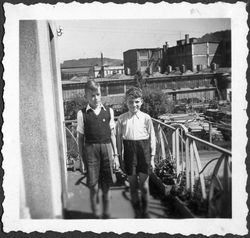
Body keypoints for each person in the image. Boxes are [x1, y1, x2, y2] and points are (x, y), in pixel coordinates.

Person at [77, 79, 119, 219]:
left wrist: (116, 155)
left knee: (106, 183)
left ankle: (106, 213)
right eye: (92, 95)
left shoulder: (109, 111)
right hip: (91, 150)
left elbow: (112, 135)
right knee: (93, 184)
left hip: (107, 148)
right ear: (86, 97)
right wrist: (82, 159)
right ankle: (95, 214)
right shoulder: (82, 114)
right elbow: (80, 138)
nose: (96, 98)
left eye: (98, 94)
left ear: (101, 94)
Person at [116, 87, 156, 218]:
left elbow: (152, 138)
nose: (134, 105)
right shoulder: (121, 119)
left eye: (137, 102)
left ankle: (146, 212)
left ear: (142, 102)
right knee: (132, 185)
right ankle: (137, 213)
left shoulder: (146, 118)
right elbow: (118, 140)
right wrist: (119, 157)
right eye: (131, 102)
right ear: (126, 102)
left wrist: (152, 158)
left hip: (143, 151)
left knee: (144, 186)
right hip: (129, 152)